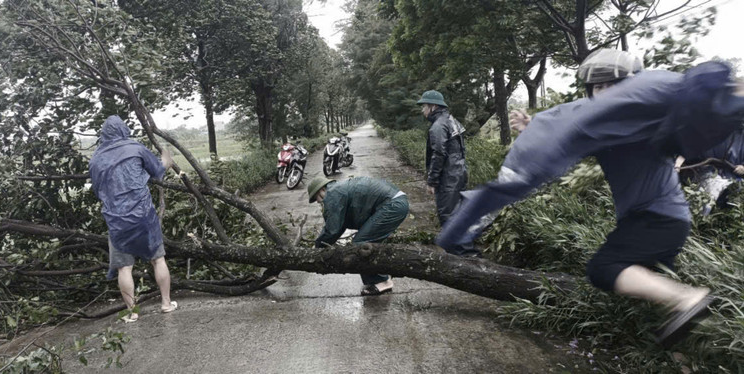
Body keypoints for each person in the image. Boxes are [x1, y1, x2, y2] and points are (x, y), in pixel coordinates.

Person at [437, 49, 744, 347]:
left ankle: (689, 298)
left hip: (658, 220)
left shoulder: (644, 124)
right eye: (597, 87)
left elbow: (579, 126)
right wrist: (535, 128)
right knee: (648, 306)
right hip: (655, 221)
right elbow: (574, 133)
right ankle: (689, 341)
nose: (603, 94)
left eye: (610, 86)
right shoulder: (621, 129)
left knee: (604, 269)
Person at [89, 115, 177, 322]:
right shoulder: (135, 148)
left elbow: (97, 189)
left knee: (124, 267)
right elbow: (157, 171)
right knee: (158, 259)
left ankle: (132, 312)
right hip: (143, 215)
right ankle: (166, 303)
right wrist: (166, 159)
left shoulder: (96, 158)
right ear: (123, 130)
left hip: (117, 220)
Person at [308, 176, 409, 295]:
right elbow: (340, 225)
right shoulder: (339, 190)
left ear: (322, 189)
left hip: (393, 205)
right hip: (396, 202)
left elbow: (332, 229)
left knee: (361, 243)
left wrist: (318, 247)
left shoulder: (333, 193)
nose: (319, 202)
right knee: (367, 240)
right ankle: (379, 275)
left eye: (317, 197)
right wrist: (324, 244)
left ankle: (383, 282)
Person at [417, 90, 478, 257]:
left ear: (433, 106)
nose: (422, 111)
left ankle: (466, 257)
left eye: (424, 107)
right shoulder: (451, 120)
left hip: (449, 177)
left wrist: (432, 181)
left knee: (449, 216)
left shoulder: (438, 126)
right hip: (459, 172)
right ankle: (467, 253)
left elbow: (439, 154)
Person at [675, 128, 744, 215]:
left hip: (733, 180)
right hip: (704, 172)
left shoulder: (740, 135)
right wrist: (678, 164)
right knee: (711, 192)